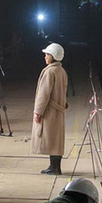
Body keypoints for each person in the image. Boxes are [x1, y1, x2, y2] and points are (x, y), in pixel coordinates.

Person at [32, 42, 68, 175]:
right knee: (56, 140)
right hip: (59, 109)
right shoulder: (61, 71)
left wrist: (38, 112)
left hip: (50, 111)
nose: (45, 57)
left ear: (53, 56)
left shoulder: (49, 72)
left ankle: (54, 168)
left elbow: (44, 94)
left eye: (47, 54)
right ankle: (55, 166)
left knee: (50, 138)